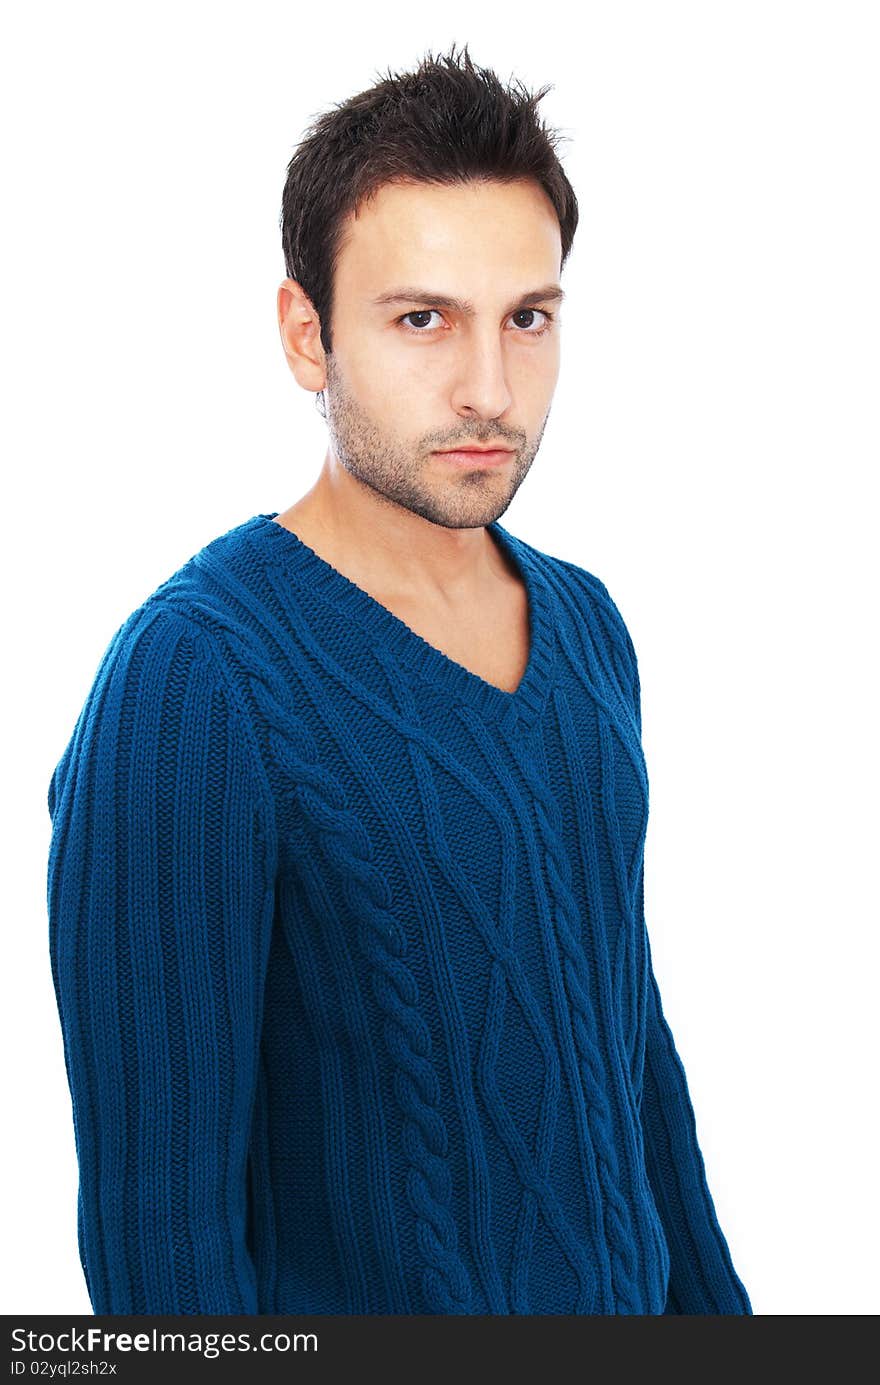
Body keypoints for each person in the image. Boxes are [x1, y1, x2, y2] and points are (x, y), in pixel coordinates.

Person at [46, 43, 752, 1316]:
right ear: (307, 336)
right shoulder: (193, 684)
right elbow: (163, 1259)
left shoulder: (586, 625)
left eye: (526, 318)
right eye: (421, 318)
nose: (490, 388)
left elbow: (627, 1064)